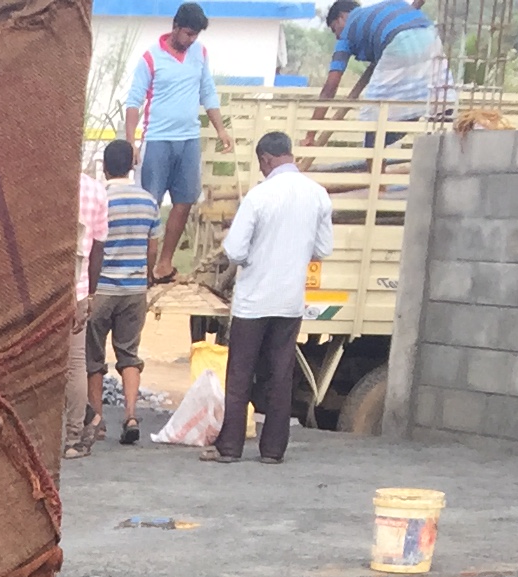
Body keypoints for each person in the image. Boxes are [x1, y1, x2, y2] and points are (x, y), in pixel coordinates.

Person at [205, 130, 331, 464]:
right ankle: (273, 451)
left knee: (240, 376)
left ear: (266, 159)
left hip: (253, 302)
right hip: (290, 302)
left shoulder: (259, 196)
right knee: (280, 375)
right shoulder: (318, 194)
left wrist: (255, 258)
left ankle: (230, 448)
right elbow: (323, 248)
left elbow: (234, 250)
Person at [66, 137, 160, 455]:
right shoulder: (148, 201)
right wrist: (147, 275)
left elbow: (96, 247)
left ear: (104, 166)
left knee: (91, 358)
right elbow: (152, 246)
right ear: (132, 166)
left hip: (102, 288)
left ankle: (98, 421)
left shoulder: (101, 195)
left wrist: (91, 292)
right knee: (129, 354)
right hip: (135, 290)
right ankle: (131, 416)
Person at [123, 3, 229, 279]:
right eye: (188, 34)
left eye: (196, 35)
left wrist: (221, 129)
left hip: (189, 139)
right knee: (150, 205)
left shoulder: (200, 53)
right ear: (175, 27)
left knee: (185, 201)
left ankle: (164, 265)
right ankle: (142, 269)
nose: (191, 40)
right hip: (157, 139)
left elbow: (208, 92)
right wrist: (130, 142)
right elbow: (134, 101)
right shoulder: (150, 58)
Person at [316, 0, 451, 121]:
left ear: (341, 17)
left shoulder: (347, 33)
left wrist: (311, 133)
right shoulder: (388, 7)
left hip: (397, 43)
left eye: (334, 29)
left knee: (374, 117)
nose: (337, 36)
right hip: (430, 38)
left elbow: (330, 87)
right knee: (437, 101)